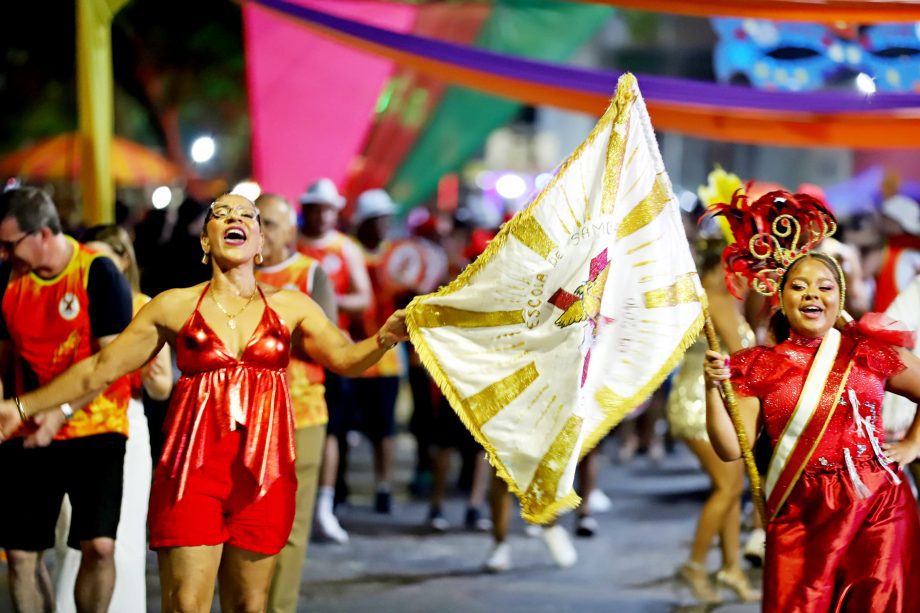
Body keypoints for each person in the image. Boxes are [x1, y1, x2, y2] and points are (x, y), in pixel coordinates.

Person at [0, 194, 409, 612]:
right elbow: (100, 368)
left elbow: (345, 359)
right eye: (222, 214)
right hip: (191, 475)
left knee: (249, 604)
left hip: (263, 476)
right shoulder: (172, 305)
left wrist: (385, 337)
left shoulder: (292, 306)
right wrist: (22, 406)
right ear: (205, 242)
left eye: (247, 215)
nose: (235, 218)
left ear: (261, 241)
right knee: (185, 605)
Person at [704, 190, 920, 612]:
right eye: (798, 287)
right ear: (781, 299)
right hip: (800, 513)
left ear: (839, 296)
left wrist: (914, 443)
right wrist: (713, 388)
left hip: (879, 508)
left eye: (824, 287)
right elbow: (732, 448)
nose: (811, 296)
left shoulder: (866, 348)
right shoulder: (757, 366)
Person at [0, 187, 135, 613]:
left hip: (96, 423)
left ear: (42, 233)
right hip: (26, 425)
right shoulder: (8, 283)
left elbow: (109, 364)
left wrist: (59, 413)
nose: (3, 255)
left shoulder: (98, 273)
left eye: (9, 244)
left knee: (98, 546)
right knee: (21, 554)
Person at [50, 224, 174, 613]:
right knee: (71, 537)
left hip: (125, 425)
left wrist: (150, 375)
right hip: (68, 422)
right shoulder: (68, 301)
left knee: (122, 536)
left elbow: (162, 388)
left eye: (104, 257)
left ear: (124, 259)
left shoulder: (144, 306)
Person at [253, 193, 336, 613]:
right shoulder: (232, 273)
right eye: (255, 221)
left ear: (290, 231)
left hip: (299, 413)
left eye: (269, 222)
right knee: (245, 524)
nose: (260, 231)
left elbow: (330, 343)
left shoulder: (309, 274)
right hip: (242, 416)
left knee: (291, 526)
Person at [666, 237, 758, 604]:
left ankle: (732, 568)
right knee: (726, 488)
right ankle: (694, 565)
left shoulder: (701, 295)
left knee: (733, 487)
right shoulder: (714, 299)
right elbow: (743, 356)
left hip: (707, 399)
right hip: (702, 403)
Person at [297, 178, 373, 533]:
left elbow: (364, 298)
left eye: (329, 209)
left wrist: (327, 302)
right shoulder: (289, 247)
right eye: (317, 208)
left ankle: (324, 507)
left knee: (330, 430)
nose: (323, 216)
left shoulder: (345, 249)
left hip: (329, 350)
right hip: (292, 354)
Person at [349, 189, 405, 513]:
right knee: (343, 428)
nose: (385, 224)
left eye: (387, 218)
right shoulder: (348, 252)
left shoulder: (396, 256)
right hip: (351, 354)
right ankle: (337, 488)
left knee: (384, 427)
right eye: (379, 219)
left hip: (387, 358)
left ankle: (383, 486)